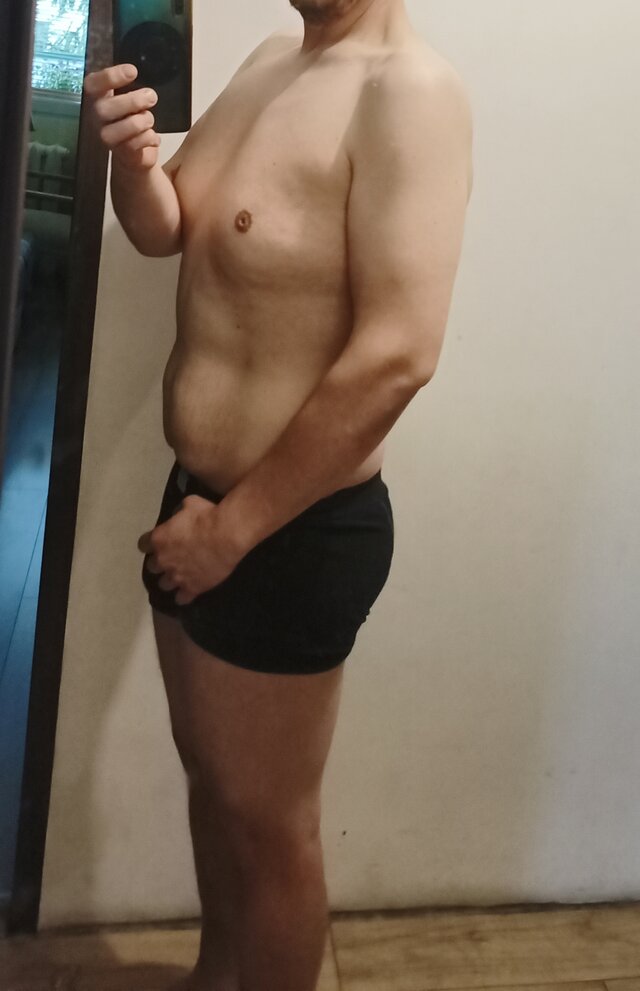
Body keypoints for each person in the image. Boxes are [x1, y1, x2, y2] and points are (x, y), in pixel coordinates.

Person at [83, 0, 473, 988]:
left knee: (270, 833)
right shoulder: (271, 60)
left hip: (282, 532)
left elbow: (399, 354)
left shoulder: (410, 95)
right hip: (197, 505)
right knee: (216, 793)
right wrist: (131, 161)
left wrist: (231, 533)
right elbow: (167, 228)